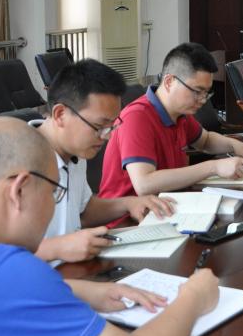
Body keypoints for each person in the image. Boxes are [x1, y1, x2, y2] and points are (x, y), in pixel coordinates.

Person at [0, 116, 220, 336]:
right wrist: (193, 297)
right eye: (54, 192)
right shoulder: (6, 272)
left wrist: (81, 291)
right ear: (19, 190)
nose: (53, 206)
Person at [35, 60, 176, 264]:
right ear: (60, 114)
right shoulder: (15, 161)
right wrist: (57, 248)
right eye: (99, 126)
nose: (107, 136)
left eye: (112, 126)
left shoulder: (75, 152)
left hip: (72, 270)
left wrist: (129, 203)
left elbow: (83, 210)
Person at [100, 43, 243, 199]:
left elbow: (205, 140)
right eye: (197, 91)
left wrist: (234, 145)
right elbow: (145, 184)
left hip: (168, 203)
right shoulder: (136, 117)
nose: (203, 100)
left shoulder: (179, 113)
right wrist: (214, 167)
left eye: (206, 93)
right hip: (132, 217)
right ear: (169, 82)